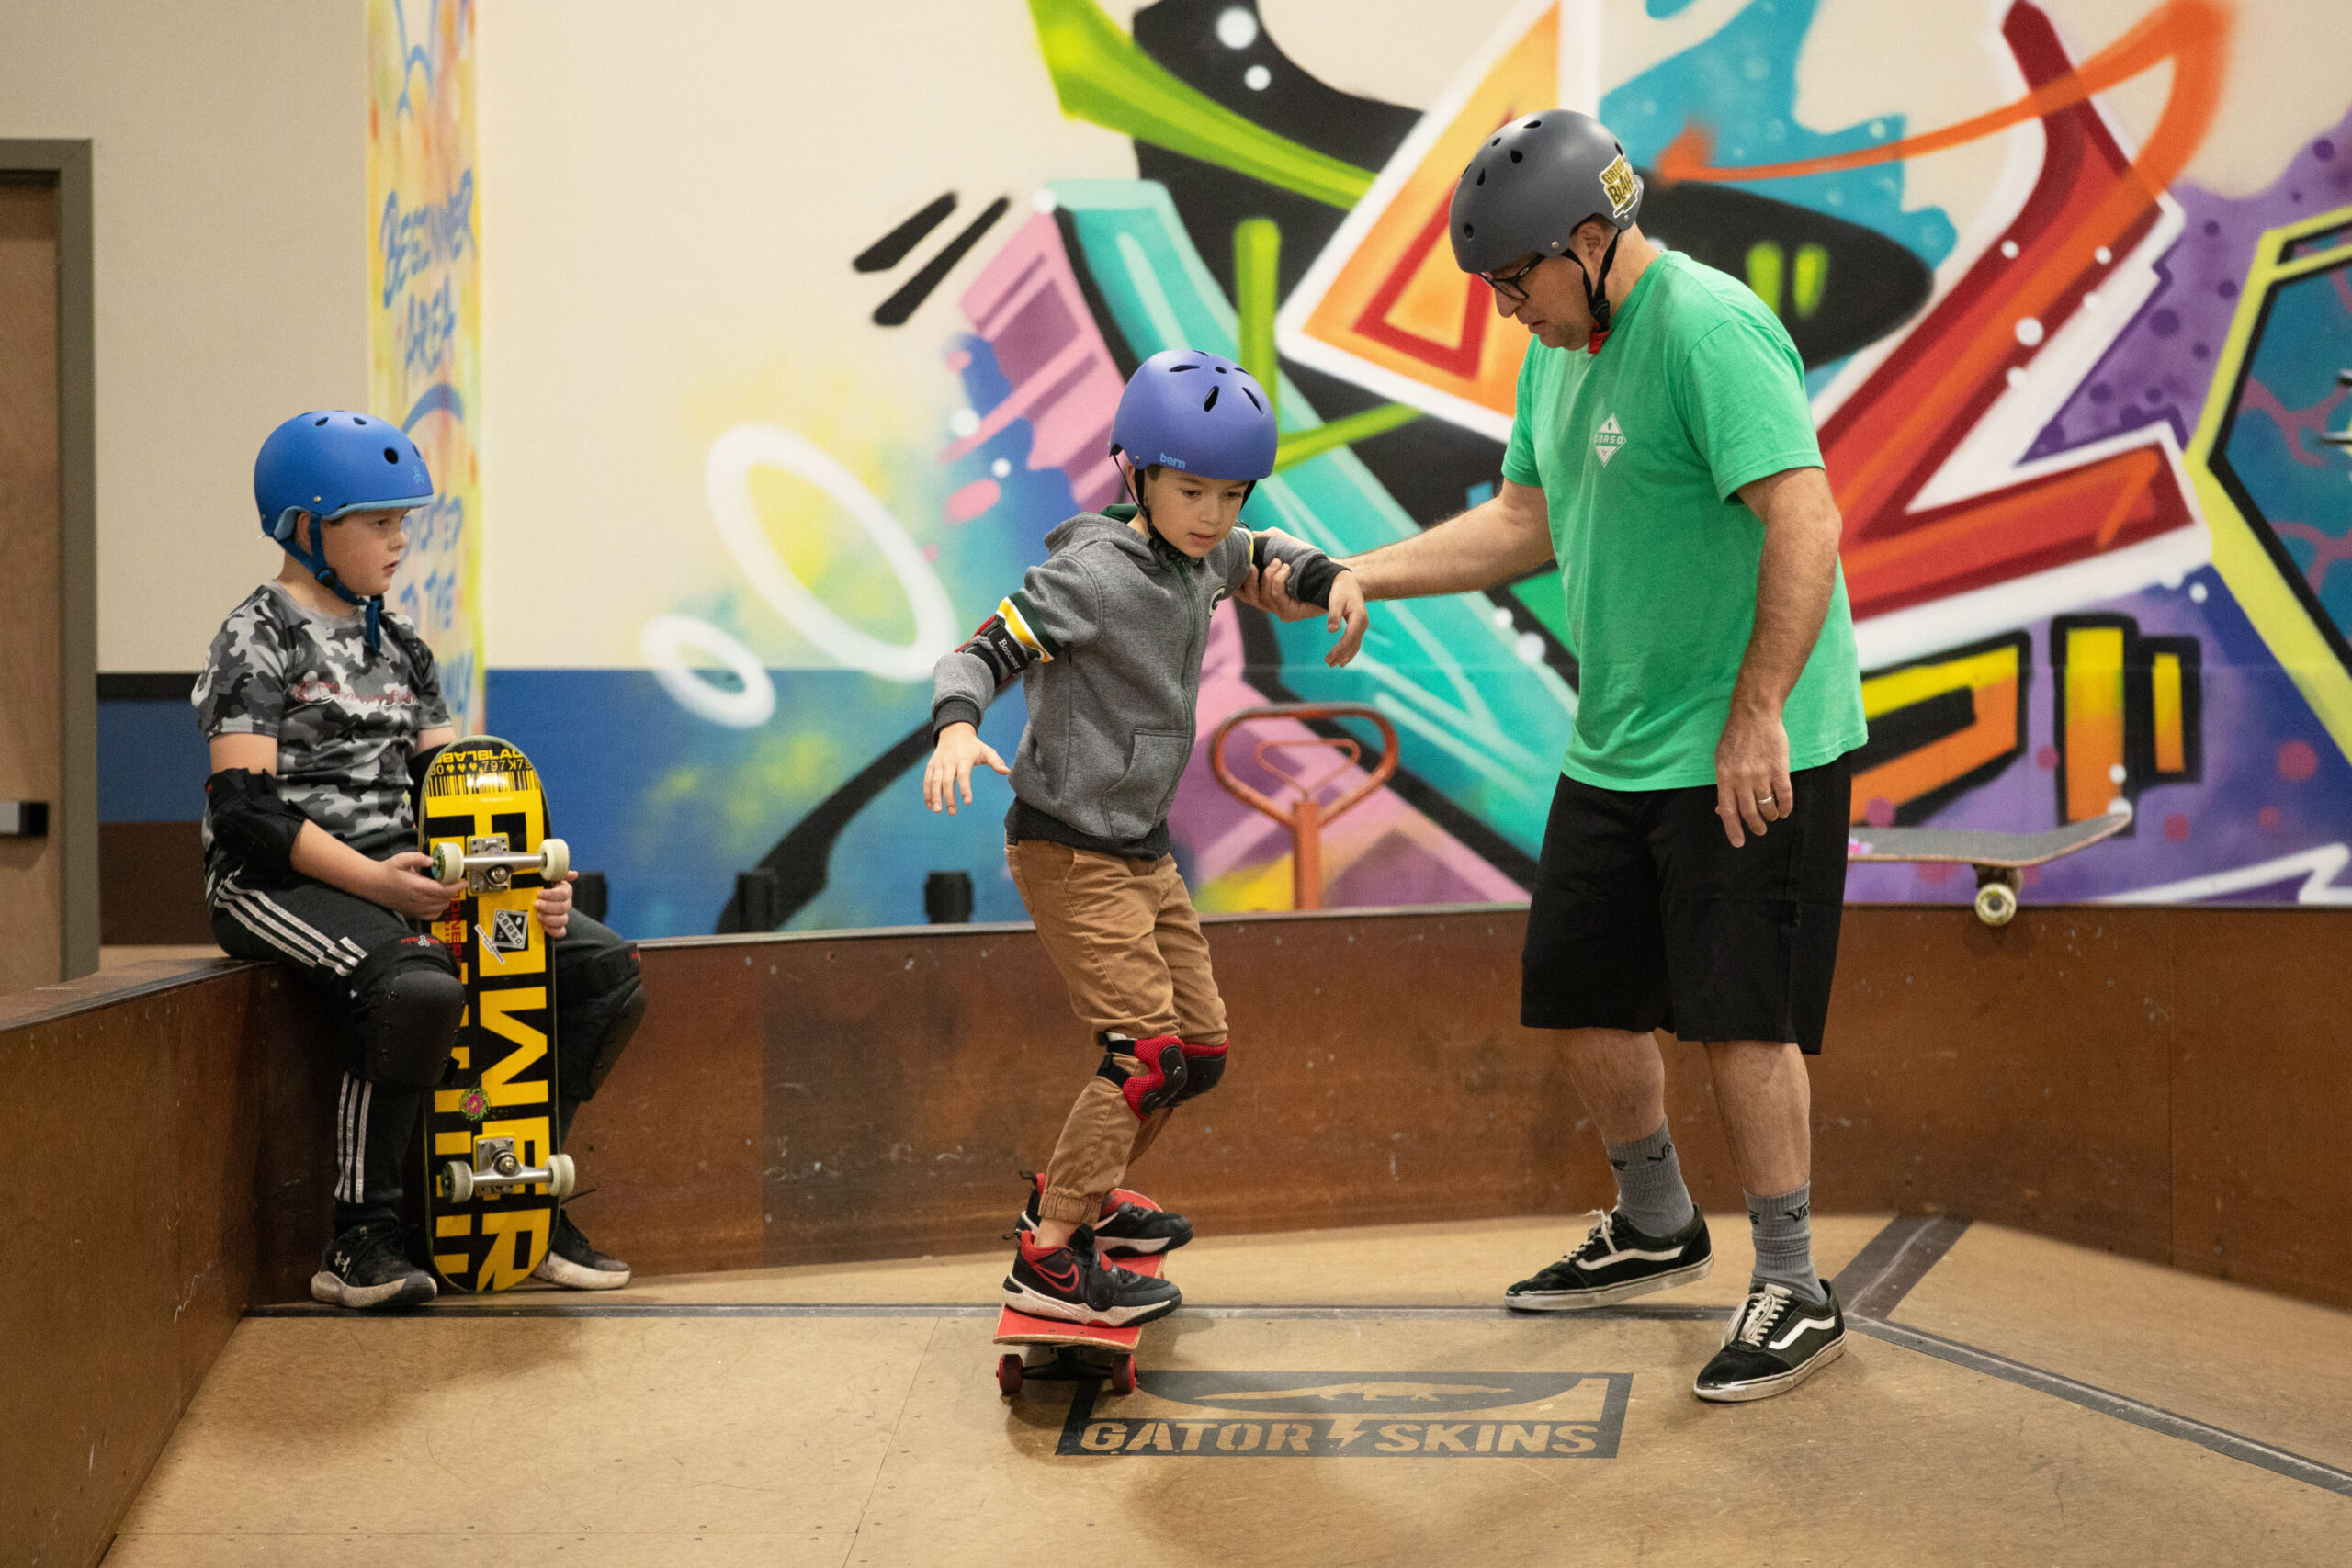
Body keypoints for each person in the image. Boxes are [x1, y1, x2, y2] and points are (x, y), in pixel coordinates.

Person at [1245, 111, 1867, 1401]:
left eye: (1514, 280)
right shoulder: (1560, 352)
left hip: (1750, 745)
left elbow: (1805, 515)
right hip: (1624, 740)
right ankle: (1654, 1221)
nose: (1504, 309)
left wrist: (1758, 709)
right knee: (1581, 987)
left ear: (1592, 239)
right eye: (1491, 288)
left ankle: (1795, 1280)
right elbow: (1526, 519)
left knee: (1738, 1018)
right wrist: (1358, 573)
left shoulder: (1706, 328)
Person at [924, 348, 1370, 1326]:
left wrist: (1331, 576)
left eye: (1229, 492)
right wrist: (958, 726)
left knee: (1197, 1054)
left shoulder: (1205, 549)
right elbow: (981, 651)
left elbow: (1260, 560)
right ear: (1136, 473)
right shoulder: (1088, 575)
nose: (1211, 512)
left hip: (1141, 851)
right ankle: (1048, 1252)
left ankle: (1089, 1193)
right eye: (1190, 490)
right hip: (1067, 848)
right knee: (1144, 1056)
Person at [197, 410, 648, 1308]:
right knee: (417, 987)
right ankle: (359, 1239)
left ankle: (517, 1198)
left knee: (602, 970)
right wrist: (372, 880)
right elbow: (242, 811)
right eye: (380, 523)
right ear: (309, 527)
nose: (400, 542)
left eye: (404, 523)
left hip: (404, 878)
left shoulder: (396, 641)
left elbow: (460, 781)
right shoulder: (257, 635)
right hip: (277, 883)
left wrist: (527, 882)